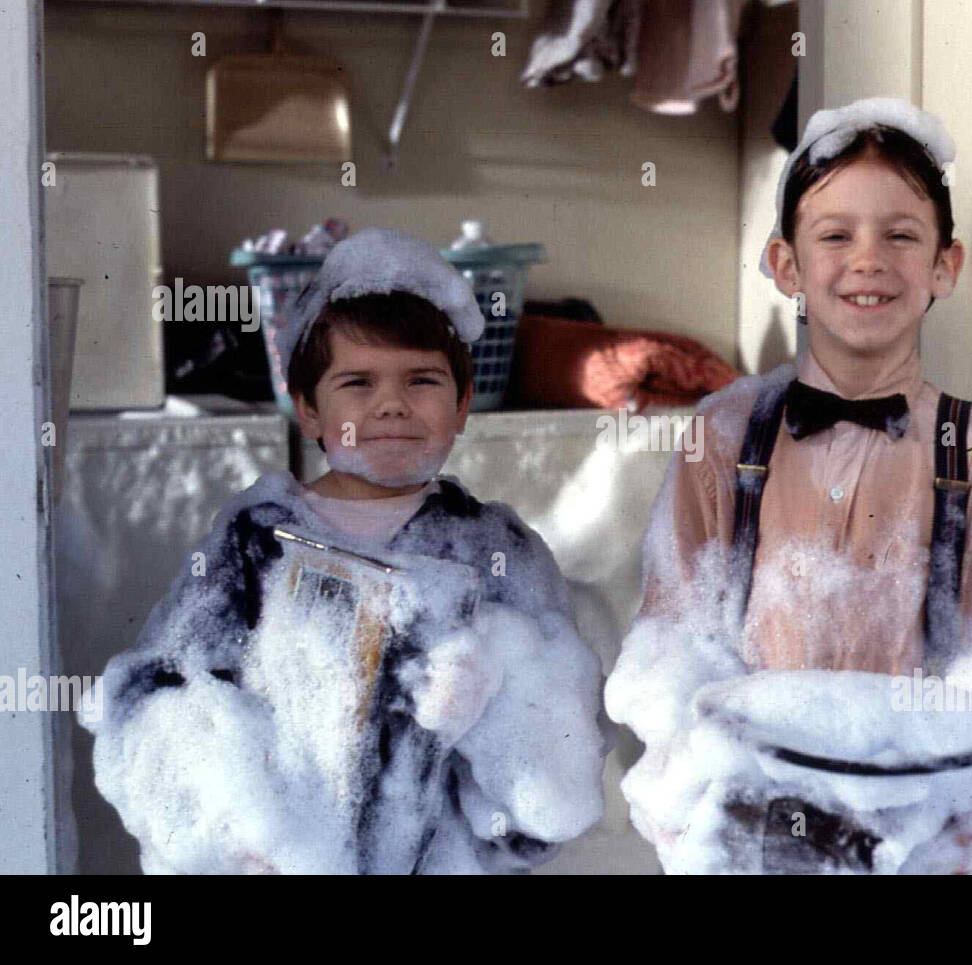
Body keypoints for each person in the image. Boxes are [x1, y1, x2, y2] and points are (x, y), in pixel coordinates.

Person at [605, 99, 972, 874]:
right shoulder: (723, 435)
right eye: (835, 235)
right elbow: (671, 637)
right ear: (786, 266)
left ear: (945, 265)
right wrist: (685, 815)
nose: (867, 259)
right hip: (748, 818)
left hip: (920, 831)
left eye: (901, 235)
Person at [83, 229, 607, 874]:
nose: (391, 404)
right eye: (357, 382)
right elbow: (154, 697)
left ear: (463, 404)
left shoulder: (498, 550)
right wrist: (232, 829)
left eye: (423, 380)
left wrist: (488, 707)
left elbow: (547, 790)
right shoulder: (256, 542)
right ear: (308, 409)